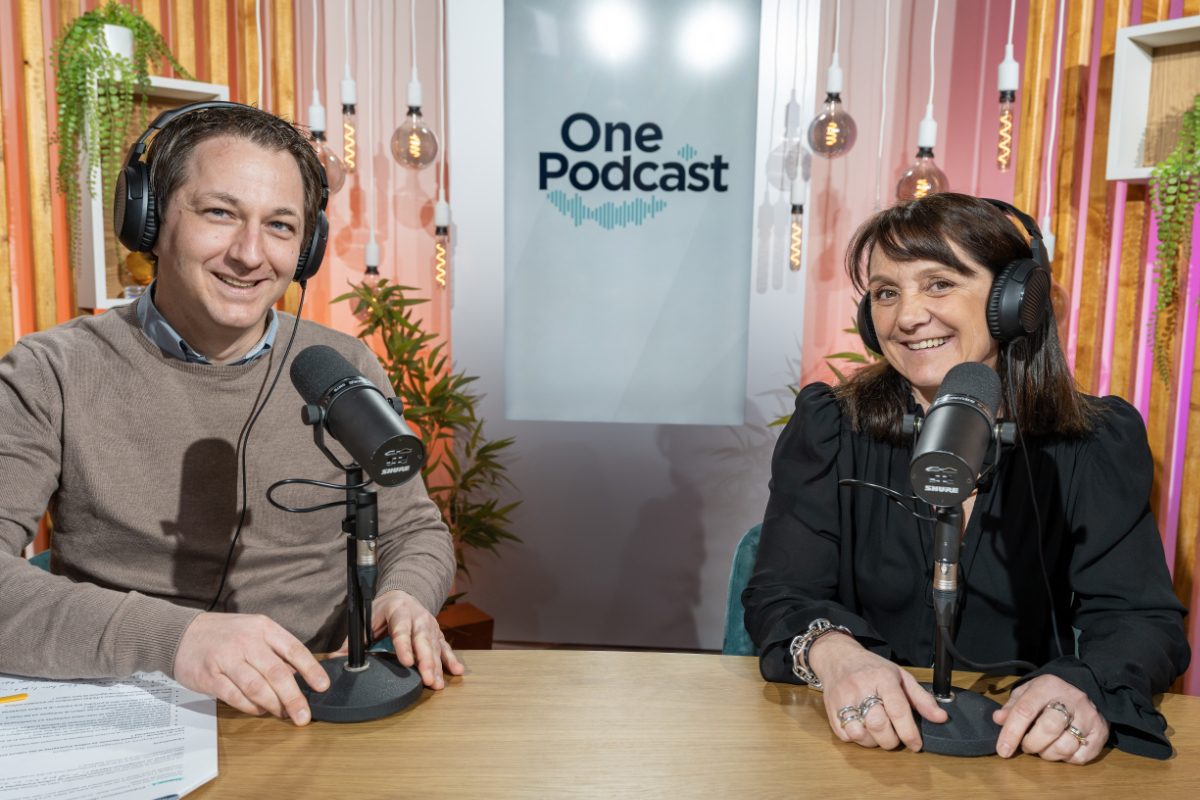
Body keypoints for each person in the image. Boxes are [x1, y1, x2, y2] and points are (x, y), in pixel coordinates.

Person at [0, 104, 462, 726]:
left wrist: (406, 594)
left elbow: (413, 529)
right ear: (150, 222)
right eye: (220, 213)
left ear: (307, 248)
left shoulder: (342, 365)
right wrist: (176, 639)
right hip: (132, 703)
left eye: (280, 225)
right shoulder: (49, 371)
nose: (250, 254)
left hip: (318, 701)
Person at [743, 193, 1190, 763]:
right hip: (858, 748)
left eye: (938, 284)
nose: (906, 317)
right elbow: (781, 593)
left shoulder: (1093, 443)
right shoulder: (832, 428)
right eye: (886, 292)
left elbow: (1139, 617)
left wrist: (1084, 685)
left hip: (1021, 754)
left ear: (1014, 302)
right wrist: (836, 654)